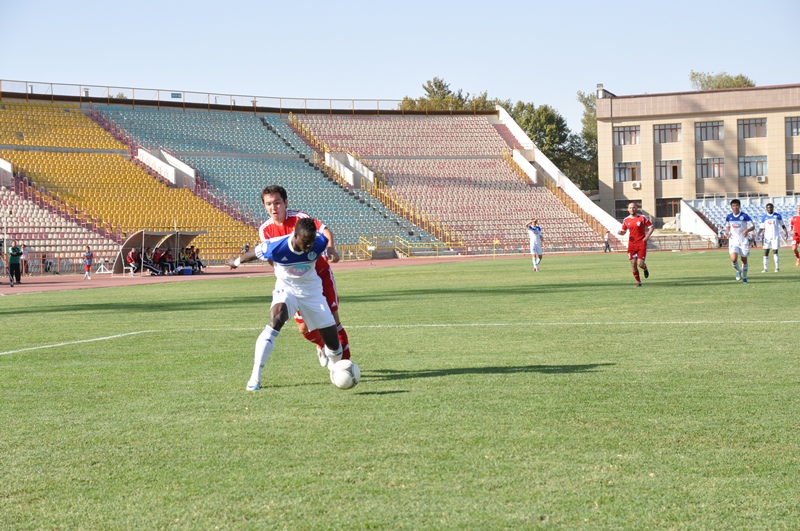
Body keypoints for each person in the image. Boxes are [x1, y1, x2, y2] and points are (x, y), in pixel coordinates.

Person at [227, 217, 343, 391]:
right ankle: (254, 378)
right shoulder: (275, 246)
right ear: (295, 235)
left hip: (312, 292)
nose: (309, 246)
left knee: (333, 341)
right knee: (276, 318)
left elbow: (325, 239)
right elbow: (252, 254)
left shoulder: (318, 241)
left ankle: (336, 371)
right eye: (305, 241)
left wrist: (331, 251)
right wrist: (235, 262)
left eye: (311, 241)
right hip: (287, 289)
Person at [257, 185, 350, 367]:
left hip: (320, 275)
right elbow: (270, 256)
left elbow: (324, 230)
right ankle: (322, 346)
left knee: (333, 319)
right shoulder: (265, 230)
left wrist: (330, 248)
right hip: (296, 285)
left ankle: (343, 366)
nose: (273, 208)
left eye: (277, 202)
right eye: (268, 204)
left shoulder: (301, 219)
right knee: (304, 328)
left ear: (285, 202)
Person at [617, 202, 654, 287]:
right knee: (633, 264)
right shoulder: (626, 220)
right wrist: (620, 232)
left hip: (641, 243)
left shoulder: (642, 218)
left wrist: (647, 237)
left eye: (633, 207)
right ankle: (638, 282)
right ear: (628, 209)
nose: (632, 209)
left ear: (636, 208)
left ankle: (645, 268)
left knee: (640, 264)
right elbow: (624, 231)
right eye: (630, 208)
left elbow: (651, 227)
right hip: (632, 245)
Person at [724, 199, 755, 283]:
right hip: (733, 241)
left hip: (743, 241)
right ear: (731, 207)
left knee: (744, 260)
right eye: (733, 206)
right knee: (733, 259)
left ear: (739, 206)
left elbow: (753, 226)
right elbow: (727, 226)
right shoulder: (729, 217)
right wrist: (727, 232)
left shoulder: (745, 216)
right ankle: (738, 271)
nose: (735, 207)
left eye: (737, 205)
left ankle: (744, 277)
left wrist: (747, 230)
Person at [758, 203, 788, 273]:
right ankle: (765, 268)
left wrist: (786, 232)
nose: (769, 209)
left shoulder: (777, 216)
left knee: (775, 251)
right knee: (766, 251)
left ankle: (777, 268)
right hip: (767, 237)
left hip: (775, 236)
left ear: (773, 208)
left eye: (771, 207)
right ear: (766, 209)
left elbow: (782, 225)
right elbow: (762, 227)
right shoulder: (764, 217)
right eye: (768, 208)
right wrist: (758, 233)